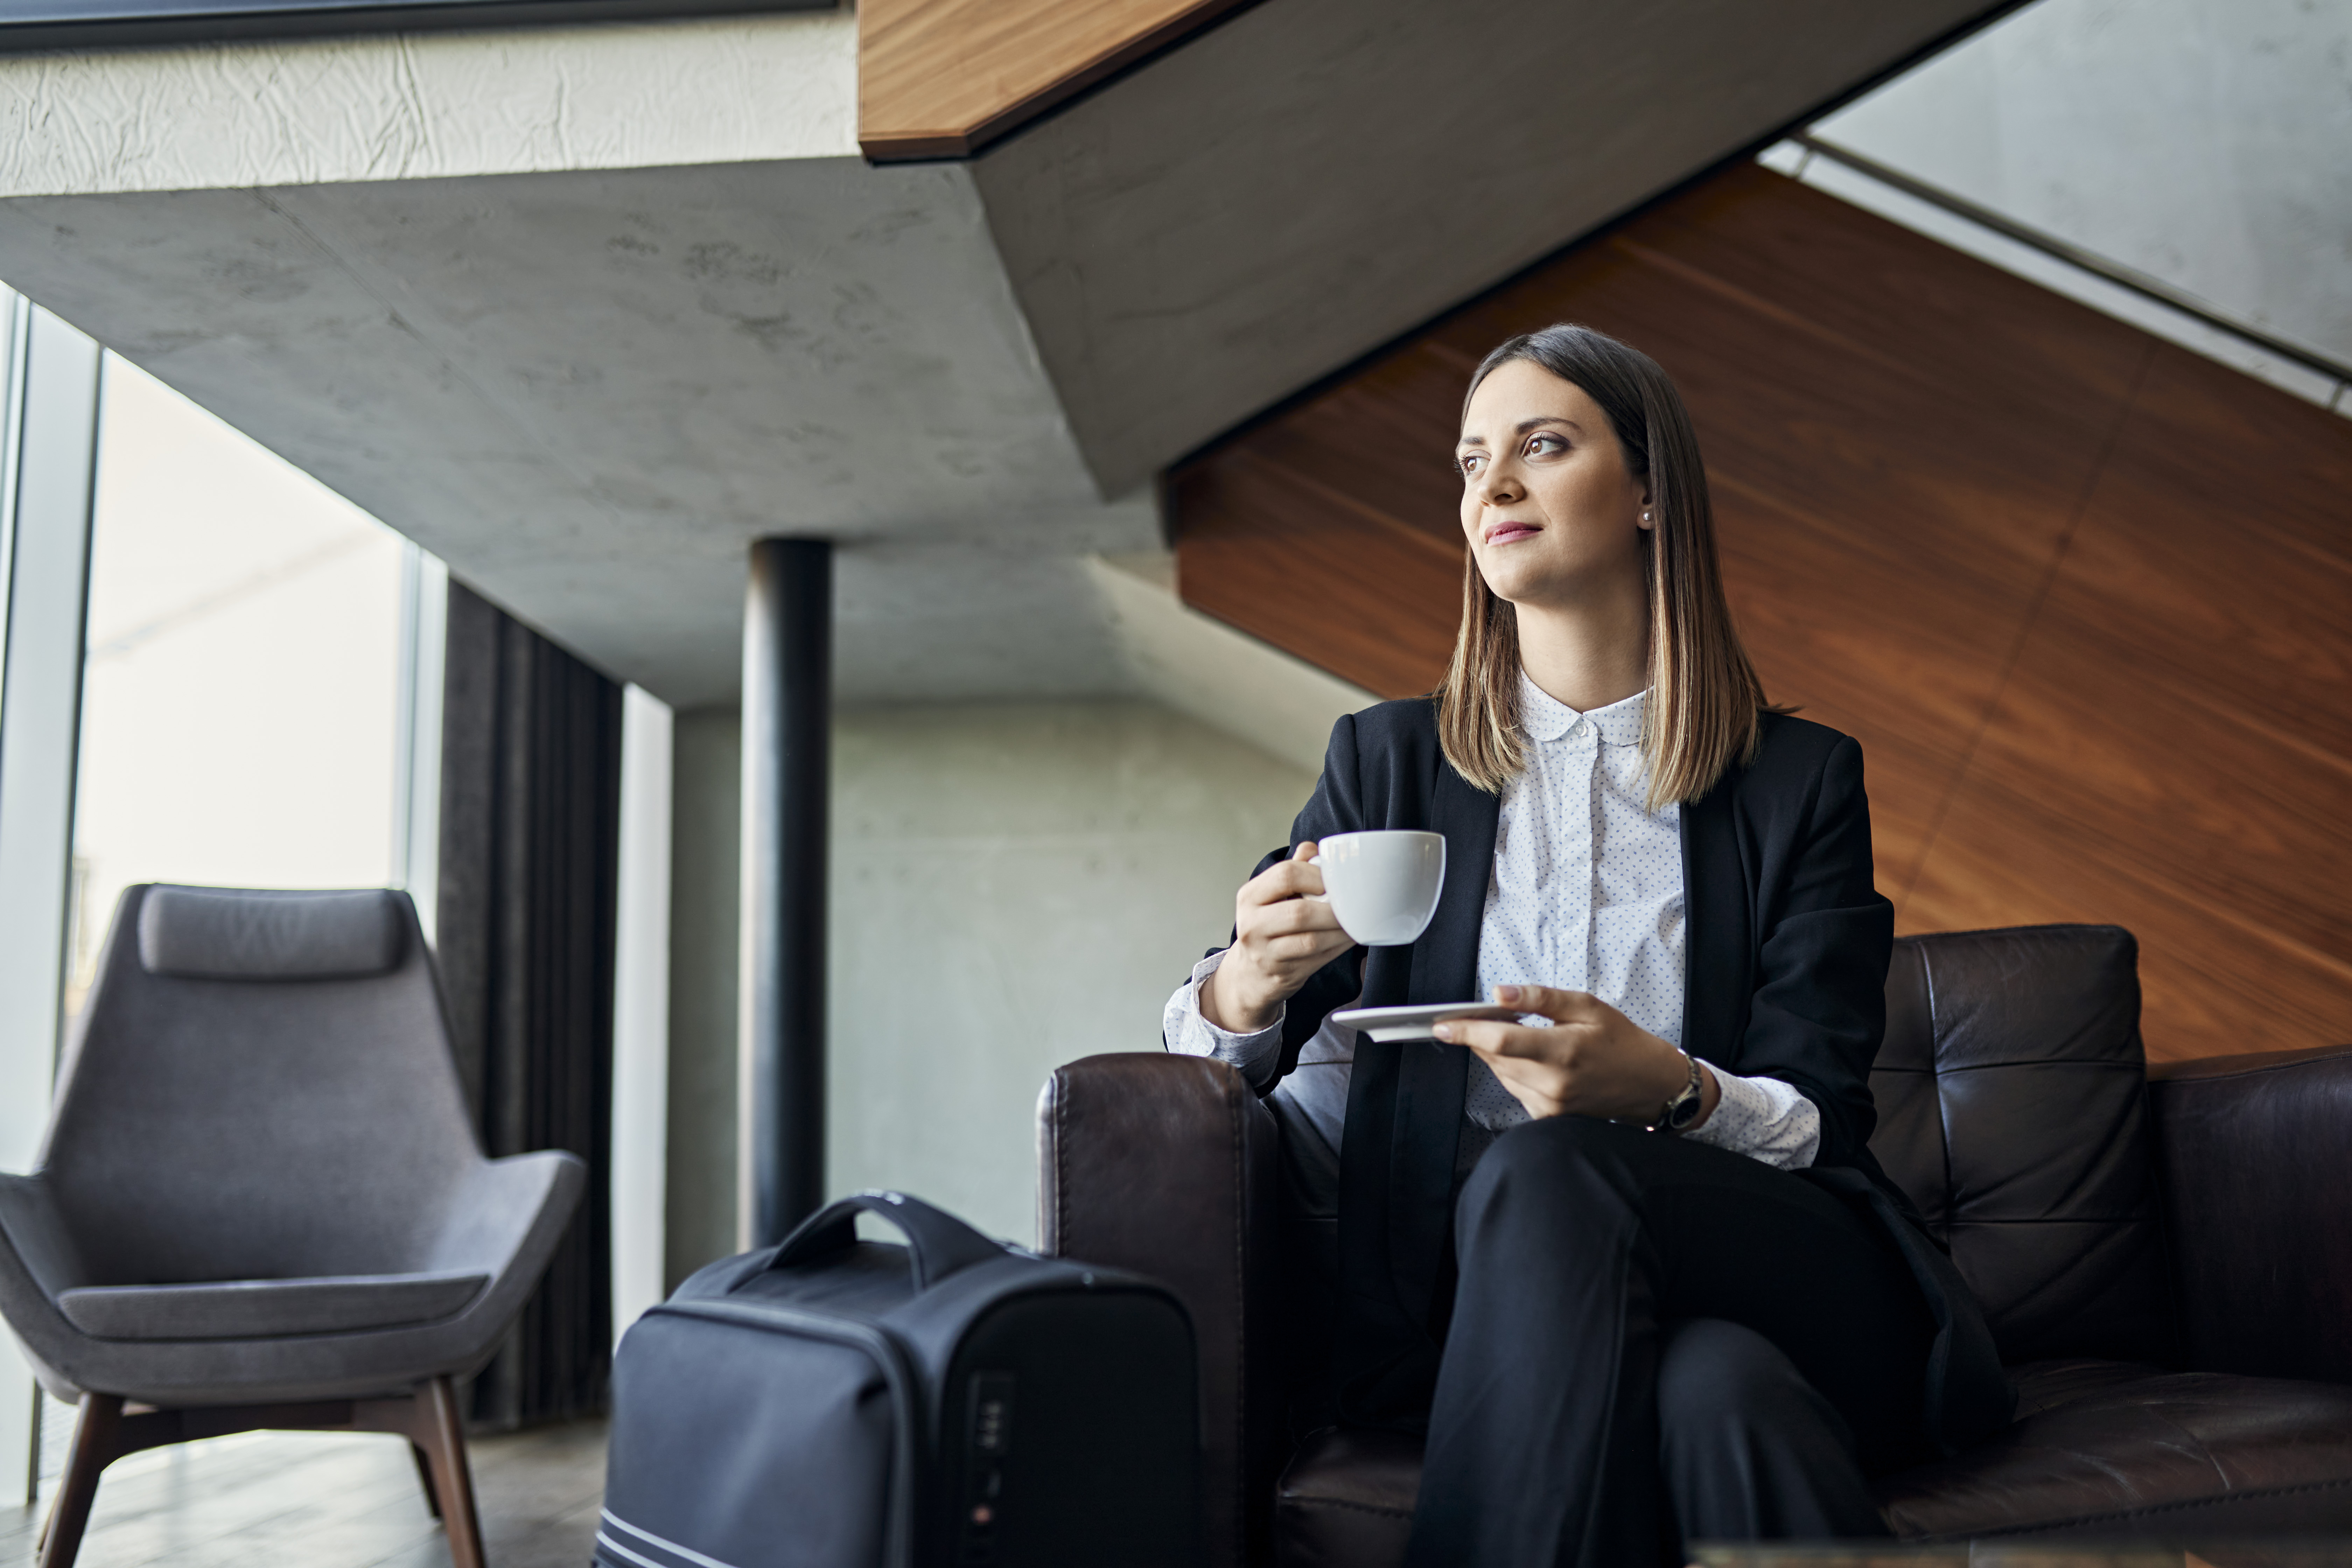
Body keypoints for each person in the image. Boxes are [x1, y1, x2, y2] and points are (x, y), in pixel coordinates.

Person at [1162, 323, 2011, 1566]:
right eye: (1469, 461)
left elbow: (1821, 1116)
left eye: (1541, 447)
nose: (1492, 485)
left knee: (1553, 1167)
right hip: (1511, 1308)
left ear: (1653, 491)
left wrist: (1666, 1092)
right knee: (1719, 1397)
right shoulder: (1386, 762)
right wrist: (1243, 982)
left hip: (1788, 1259)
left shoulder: (1798, 782)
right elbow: (1217, 1055)